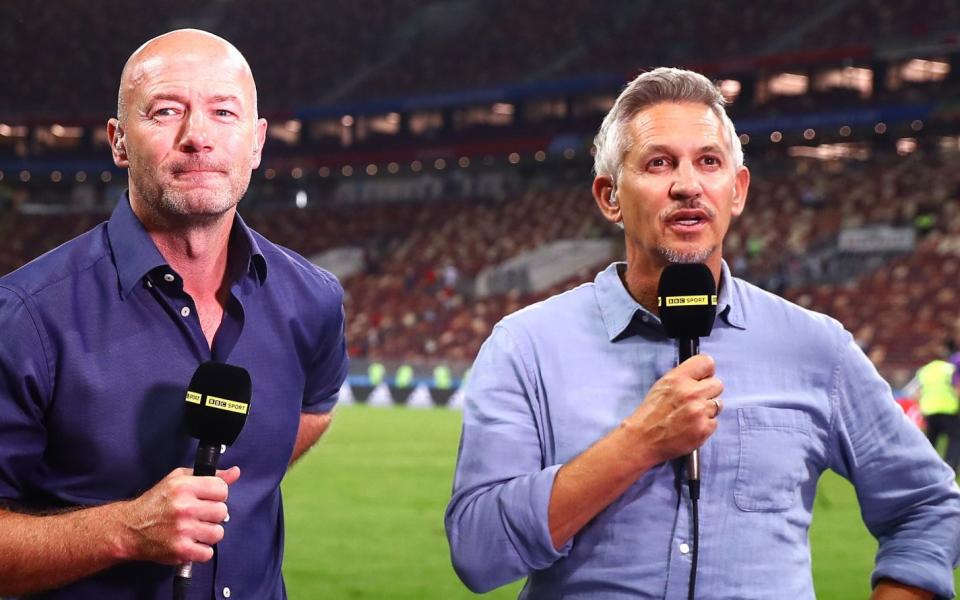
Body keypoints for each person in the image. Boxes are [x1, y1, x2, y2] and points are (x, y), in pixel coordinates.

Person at [445, 68, 960, 599]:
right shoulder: (526, 347)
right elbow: (479, 552)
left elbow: (927, 504)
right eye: (658, 162)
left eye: (709, 162)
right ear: (609, 197)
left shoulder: (815, 347)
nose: (687, 185)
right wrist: (638, 444)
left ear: (736, 191)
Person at [0, 29, 348, 599]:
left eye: (223, 112)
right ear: (118, 142)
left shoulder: (313, 299)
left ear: (257, 142)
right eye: (166, 111)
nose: (198, 137)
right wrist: (123, 531)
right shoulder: (25, 318)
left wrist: (249, 471)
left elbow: (316, 407)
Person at [914, 340, 960, 469]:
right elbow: (957, 387)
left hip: (929, 409)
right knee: (955, 439)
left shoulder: (924, 371)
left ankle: (927, 466)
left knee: (931, 440)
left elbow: (917, 393)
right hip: (948, 409)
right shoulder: (950, 369)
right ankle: (950, 464)